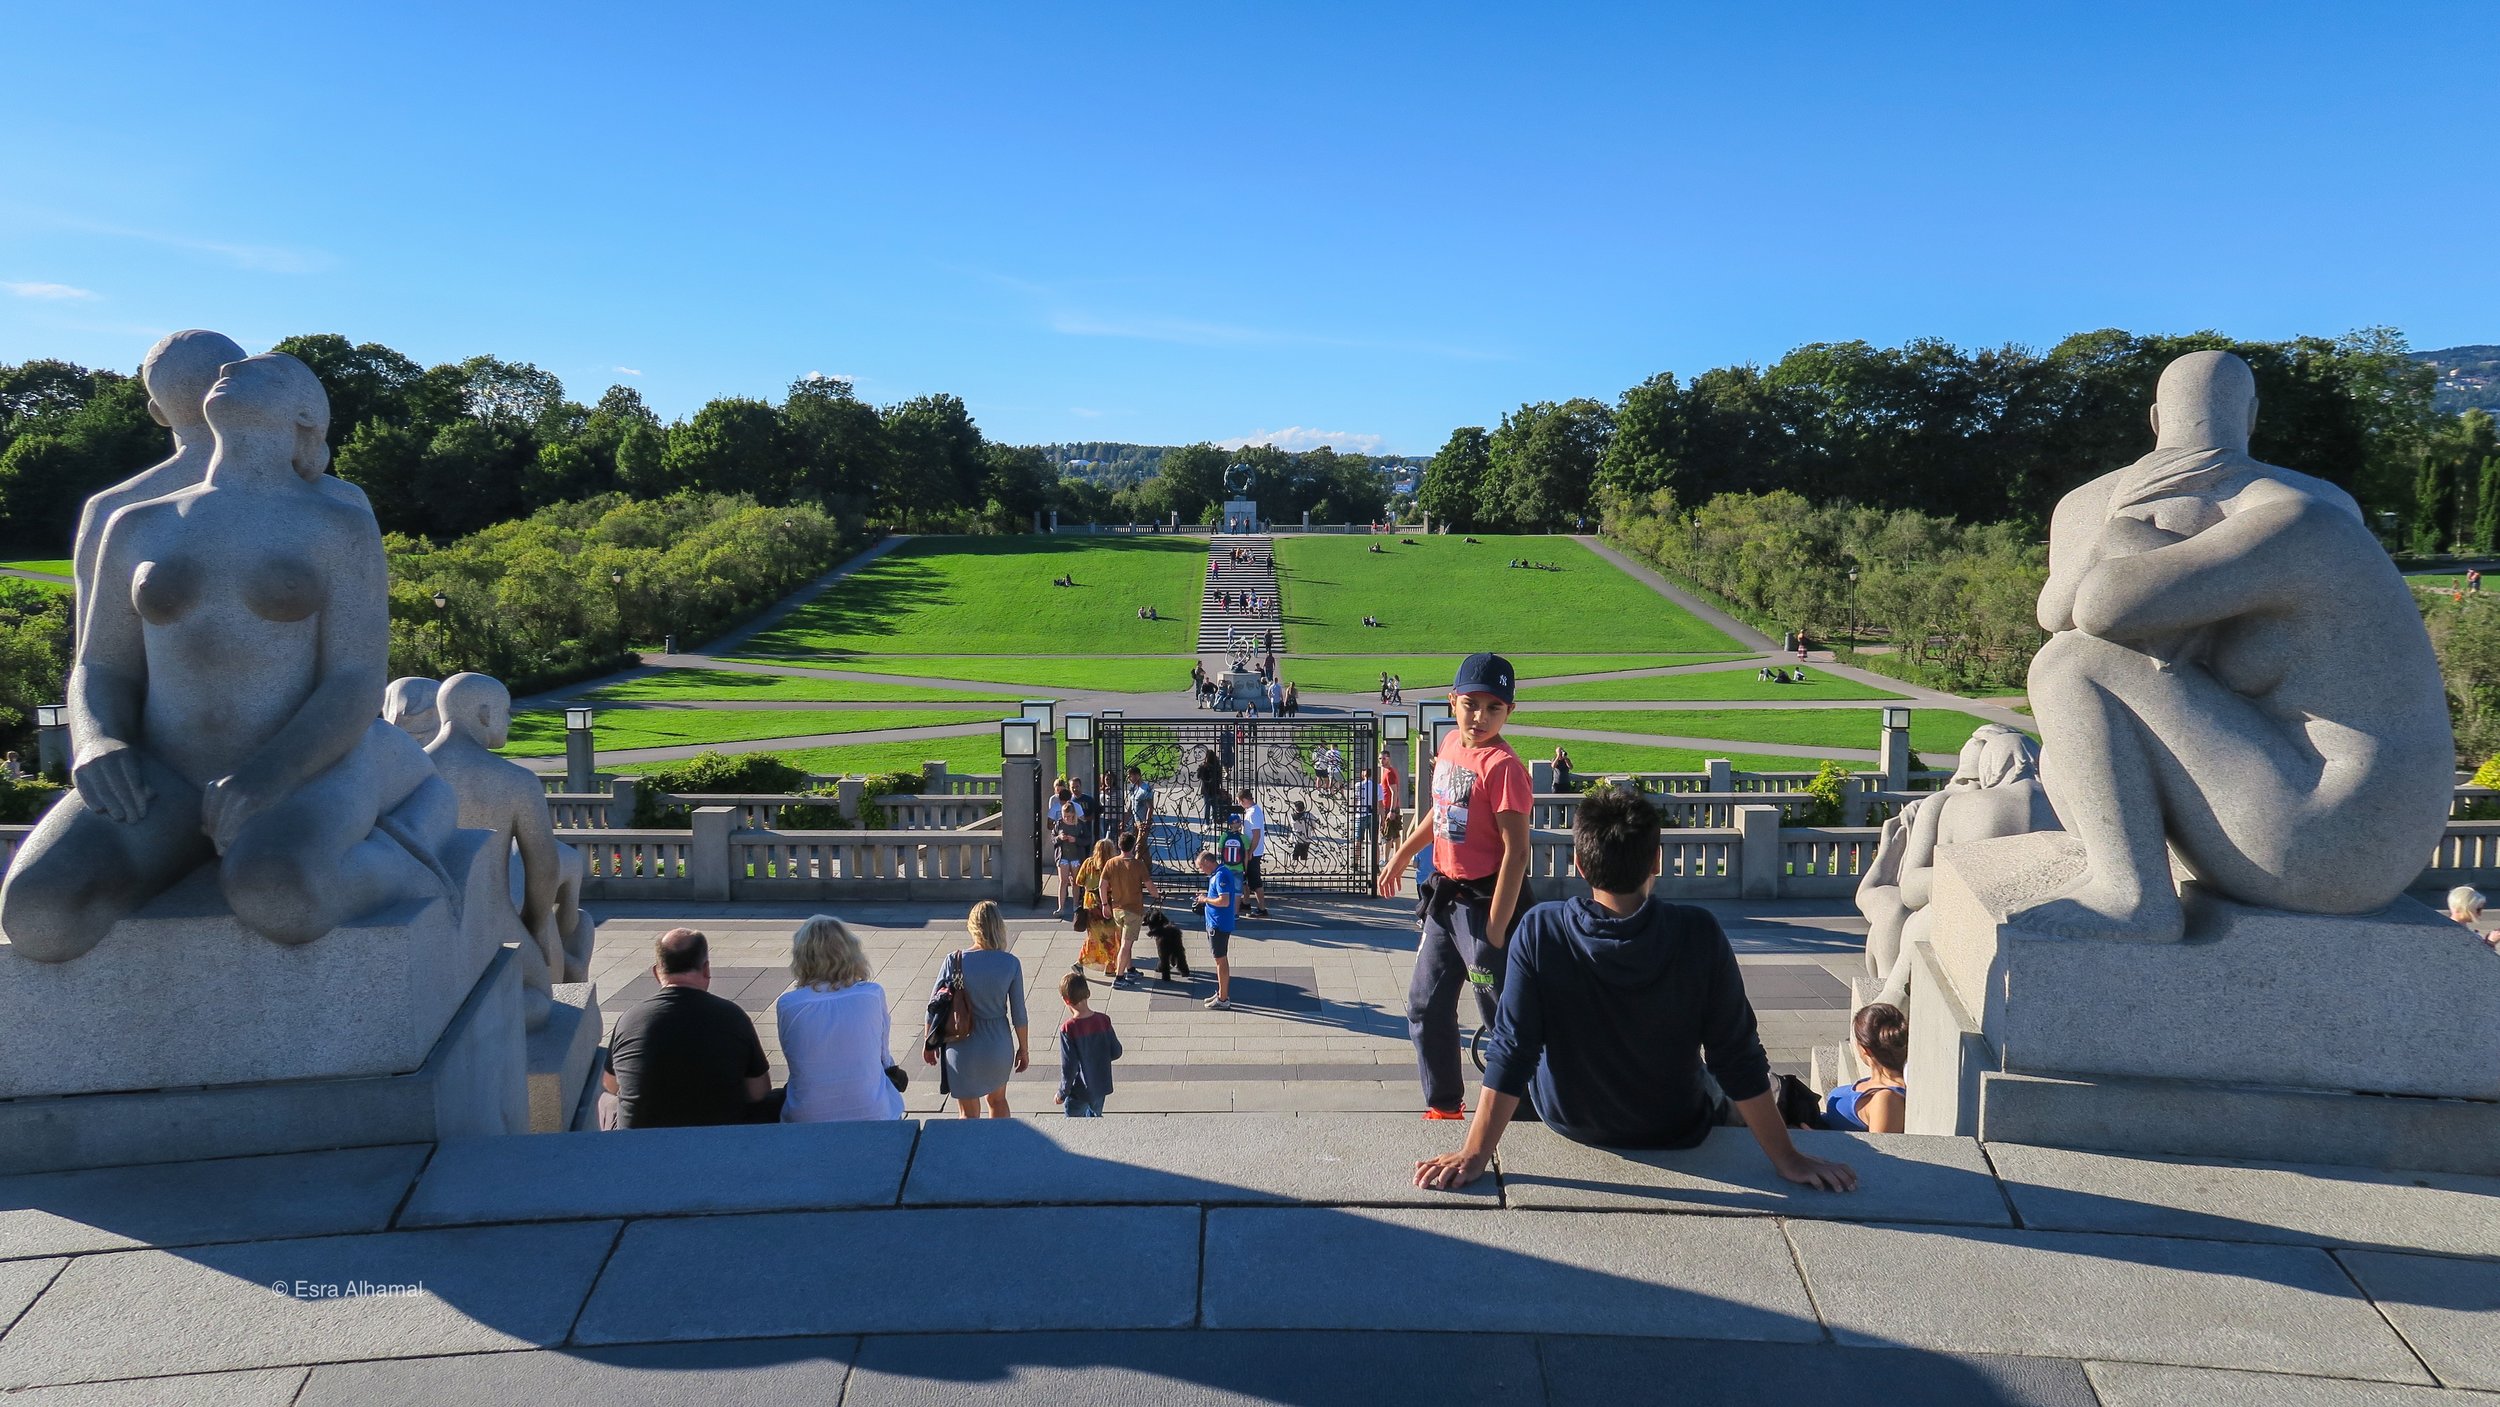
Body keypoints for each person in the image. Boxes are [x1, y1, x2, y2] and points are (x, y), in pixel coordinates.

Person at [1414, 788, 1858, 1192]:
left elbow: (1512, 1050)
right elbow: (1736, 1058)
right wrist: (1787, 1159)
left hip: (1569, 1118)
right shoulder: (1698, 934)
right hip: (1677, 1124)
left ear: (1580, 864)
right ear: (1656, 863)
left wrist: (1474, 1155)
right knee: (1751, 1090)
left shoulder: (1540, 929)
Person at [1374, 653, 1536, 1120]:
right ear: (1452, 702)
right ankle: (1444, 1104)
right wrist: (1402, 855)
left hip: (1490, 905)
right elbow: (1441, 814)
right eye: (1471, 704)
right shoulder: (1449, 745)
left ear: (1510, 711)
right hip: (1447, 900)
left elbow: (1517, 853)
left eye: (1493, 707)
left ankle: (1522, 1109)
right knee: (1425, 1005)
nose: (1480, 717)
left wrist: (1498, 929)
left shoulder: (1503, 766)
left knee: (1500, 1016)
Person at [602, 928, 776, 1129]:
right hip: (720, 1141)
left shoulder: (630, 1019)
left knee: (605, 1102)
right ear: (706, 969)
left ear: (657, 972)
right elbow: (759, 1091)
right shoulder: (733, 1017)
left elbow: (611, 1084)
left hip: (642, 1146)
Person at [776, 915, 905, 1124]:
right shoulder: (871, 994)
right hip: (873, 1113)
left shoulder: (788, 1004)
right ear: (851, 952)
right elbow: (883, 1056)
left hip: (807, 1116)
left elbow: (796, 1058)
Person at [929, 900, 1029, 1117]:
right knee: (998, 1101)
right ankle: (1001, 1149)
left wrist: (929, 1043)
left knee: (968, 1114)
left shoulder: (953, 961)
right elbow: (1019, 1014)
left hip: (961, 1044)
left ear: (972, 926)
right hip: (998, 1045)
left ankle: (972, 1151)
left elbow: (934, 1008)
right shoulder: (1010, 963)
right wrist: (1023, 1048)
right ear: (998, 926)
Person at [1824, 1002, 1908, 1135]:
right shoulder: (1878, 1084)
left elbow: (1880, 1152)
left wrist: (1816, 1137)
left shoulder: (1887, 1099)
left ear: (1865, 1050)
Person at [1054, 970, 1124, 1117]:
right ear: (1088, 993)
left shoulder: (1068, 1028)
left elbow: (1069, 1066)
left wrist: (1062, 1093)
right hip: (1101, 1086)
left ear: (1066, 1000)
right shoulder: (1103, 1020)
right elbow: (1116, 1051)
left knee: (1074, 1123)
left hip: (1079, 1091)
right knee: (1095, 1118)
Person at [1191, 845, 1242, 1009]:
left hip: (1219, 925)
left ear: (1207, 862)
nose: (1201, 870)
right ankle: (1221, 993)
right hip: (1216, 923)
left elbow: (1224, 901)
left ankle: (1223, 998)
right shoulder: (1217, 874)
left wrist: (1205, 900)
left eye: (1200, 866)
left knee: (1220, 960)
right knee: (1219, 960)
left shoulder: (1221, 876)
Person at [1102, 831, 1156, 984]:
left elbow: (1102, 885)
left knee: (1126, 941)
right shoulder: (1138, 865)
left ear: (1119, 845)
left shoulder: (1111, 863)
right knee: (1126, 944)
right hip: (1133, 910)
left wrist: (1105, 904)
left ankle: (1130, 969)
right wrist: (1156, 895)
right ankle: (1119, 977)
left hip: (1116, 909)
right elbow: (1149, 885)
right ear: (1133, 846)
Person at [1073, 838, 1121, 974]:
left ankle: (1082, 962)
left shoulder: (1089, 863)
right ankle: (1109, 966)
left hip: (1091, 904)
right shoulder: (1113, 865)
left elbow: (1079, 881)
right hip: (1107, 904)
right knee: (1111, 936)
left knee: (1093, 937)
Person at [1051, 785, 1088, 915]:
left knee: (1076, 882)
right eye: (1065, 816)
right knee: (1063, 881)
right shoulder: (1059, 824)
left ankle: (1075, 905)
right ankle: (1061, 907)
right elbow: (1053, 839)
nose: (1067, 819)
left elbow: (1087, 840)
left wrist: (1076, 840)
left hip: (1076, 856)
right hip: (1063, 856)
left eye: (1070, 817)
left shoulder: (1080, 825)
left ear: (1074, 815)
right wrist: (1059, 838)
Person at [1238, 788, 1271, 918]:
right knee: (1245, 879)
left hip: (1253, 852)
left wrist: (1250, 852)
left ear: (1245, 800)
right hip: (1249, 851)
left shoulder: (1253, 813)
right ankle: (1246, 902)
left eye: (1240, 802)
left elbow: (1256, 835)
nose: (1240, 804)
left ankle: (1262, 908)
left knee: (1255, 882)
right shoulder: (1251, 811)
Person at [1197, 746, 1228, 822]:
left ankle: (1207, 822)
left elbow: (1199, 776)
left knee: (1207, 805)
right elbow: (1220, 778)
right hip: (1214, 788)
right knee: (1214, 806)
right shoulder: (1217, 766)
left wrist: (1202, 768)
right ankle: (1214, 820)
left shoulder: (1205, 766)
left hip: (1206, 789)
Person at [1379, 756, 1402, 839]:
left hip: (1390, 807)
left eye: (1384, 759)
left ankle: (1385, 852)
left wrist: (1392, 810)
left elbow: (1394, 792)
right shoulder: (1387, 771)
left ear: (1389, 759)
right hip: (1389, 805)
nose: (1381, 761)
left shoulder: (1389, 773)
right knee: (1395, 835)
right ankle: (1397, 852)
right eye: (1380, 759)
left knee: (1387, 835)